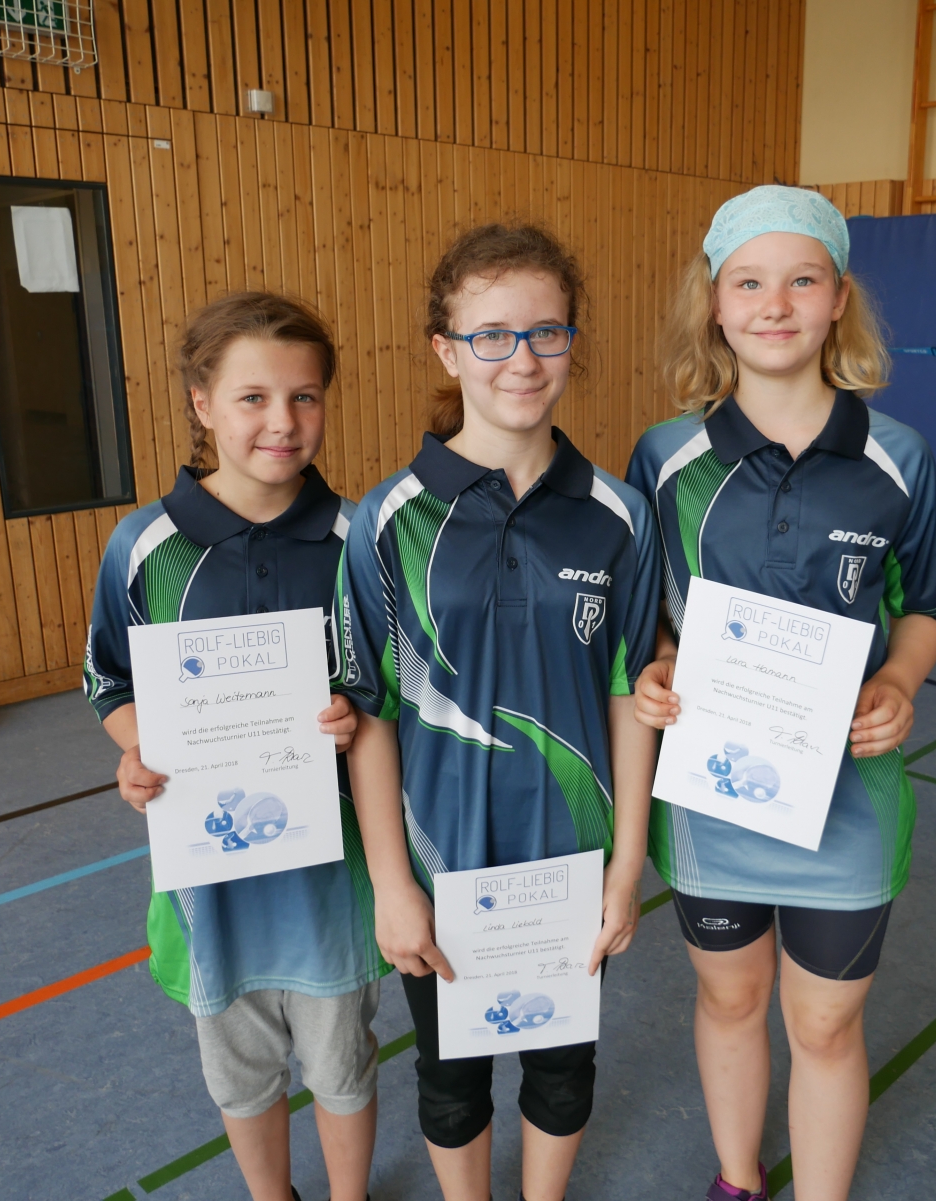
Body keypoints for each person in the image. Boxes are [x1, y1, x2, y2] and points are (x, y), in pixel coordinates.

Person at [625, 186, 936, 1201]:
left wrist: (898, 679)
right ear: (715, 304)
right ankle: (738, 1180)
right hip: (713, 793)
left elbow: (925, 606)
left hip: (849, 796)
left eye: (802, 280)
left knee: (824, 1021)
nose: (775, 304)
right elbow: (649, 615)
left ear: (838, 298)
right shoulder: (664, 456)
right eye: (749, 283)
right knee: (731, 1000)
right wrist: (658, 667)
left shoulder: (899, 456)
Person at [336, 224, 660, 1201]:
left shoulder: (619, 515)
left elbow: (631, 695)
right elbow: (369, 715)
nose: (522, 359)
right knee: (450, 1079)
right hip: (441, 863)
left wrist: (626, 865)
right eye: (491, 335)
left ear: (571, 342)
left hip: (571, 859)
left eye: (546, 332)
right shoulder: (385, 521)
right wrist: (392, 884)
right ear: (447, 350)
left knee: (564, 1068)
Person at [84, 292, 386, 1201]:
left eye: (304, 396)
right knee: (240, 1069)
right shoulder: (144, 545)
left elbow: (383, 686)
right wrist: (137, 752)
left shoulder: (359, 538)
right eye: (253, 397)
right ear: (201, 402)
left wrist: (353, 715)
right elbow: (108, 679)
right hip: (208, 879)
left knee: (342, 1062)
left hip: (333, 876)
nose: (282, 422)